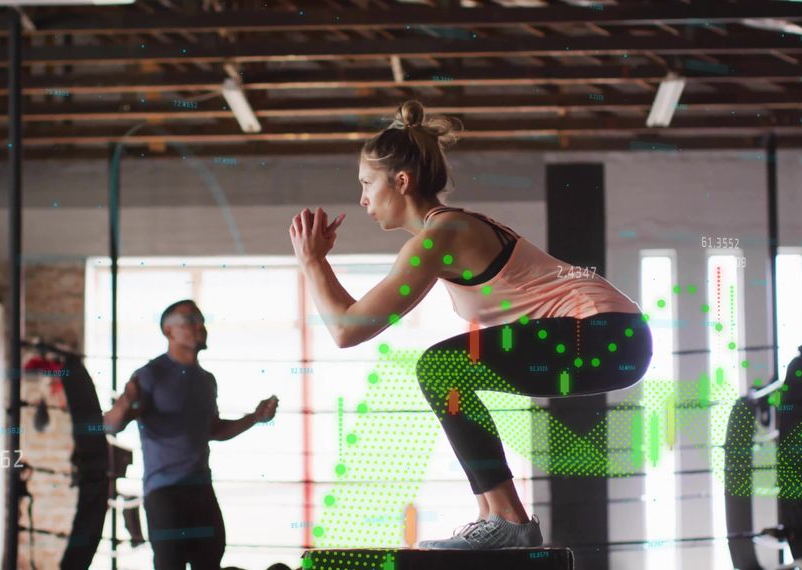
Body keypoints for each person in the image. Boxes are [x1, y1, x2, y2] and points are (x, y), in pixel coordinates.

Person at [287, 100, 652, 550]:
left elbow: (347, 330)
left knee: (443, 368)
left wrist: (312, 262)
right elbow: (353, 321)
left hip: (606, 336)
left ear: (401, 182)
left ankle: (507, 519)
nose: (362, 199)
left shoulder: (441, 237)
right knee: (449, 369)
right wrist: (317, 263)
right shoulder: (447, 232)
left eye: (366, 184)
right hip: (615, 338)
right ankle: (495, 516)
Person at [103, 300, 279, 569]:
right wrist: (126, 401)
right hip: (165, 492)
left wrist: (255, 418)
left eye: (201, 320)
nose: (200, 327)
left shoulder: (206, 381)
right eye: (190, 321)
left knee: (210, 559)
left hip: (201, 490)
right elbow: (111, 425)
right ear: (169, 332)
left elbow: (214, 430)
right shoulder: (150, 375)